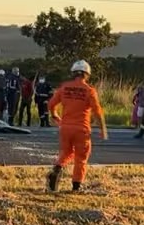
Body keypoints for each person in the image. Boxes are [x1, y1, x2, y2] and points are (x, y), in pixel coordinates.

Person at [45, 60, 108, 193]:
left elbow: (51, 104)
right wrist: (103, 130)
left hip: (65, 127)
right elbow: (97, 111)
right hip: (82, 129)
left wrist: (55, 115)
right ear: (87, 74)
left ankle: (56, 169)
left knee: (66, 153)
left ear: (73, 73)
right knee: (81, 158)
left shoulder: (64, 87)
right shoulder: (89, 91)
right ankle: (76, 187)